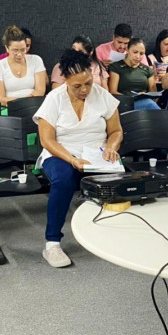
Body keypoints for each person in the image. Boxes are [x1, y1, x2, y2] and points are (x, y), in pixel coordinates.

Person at [34, 49, 123, 268]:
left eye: (88, 83)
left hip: (96, 154)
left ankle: (110, 235)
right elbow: (47, 140)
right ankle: (52, 243)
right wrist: (72, 160)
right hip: (61, 153)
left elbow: (116, 131)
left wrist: (111, 147)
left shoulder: (102, 95)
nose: (84, 90)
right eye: (77, 86)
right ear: (65, 79)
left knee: (118, 180)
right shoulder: (54, 99)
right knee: (64, 180)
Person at [0, 25, 47, 106]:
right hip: (8, 107)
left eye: (23, 50)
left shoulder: (36, 60)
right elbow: (0, 98)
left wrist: (26, 103)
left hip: (33, 105)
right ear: (7, 48)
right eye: (15, 50)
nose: (20, 54)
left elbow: (40, 91)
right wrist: (23, 102)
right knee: (4, 113)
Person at [108, 38, 159, 110]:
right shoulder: (116, 67)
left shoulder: (147, 70)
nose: (138, 56)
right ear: (127, 50)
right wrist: (132, 98)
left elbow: (154, 95)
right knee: (149, 104)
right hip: (124, 103)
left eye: (141, 54)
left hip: (145, 103)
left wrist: (144, 96)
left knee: (149, 103)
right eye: (135, 52)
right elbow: (113, 92)